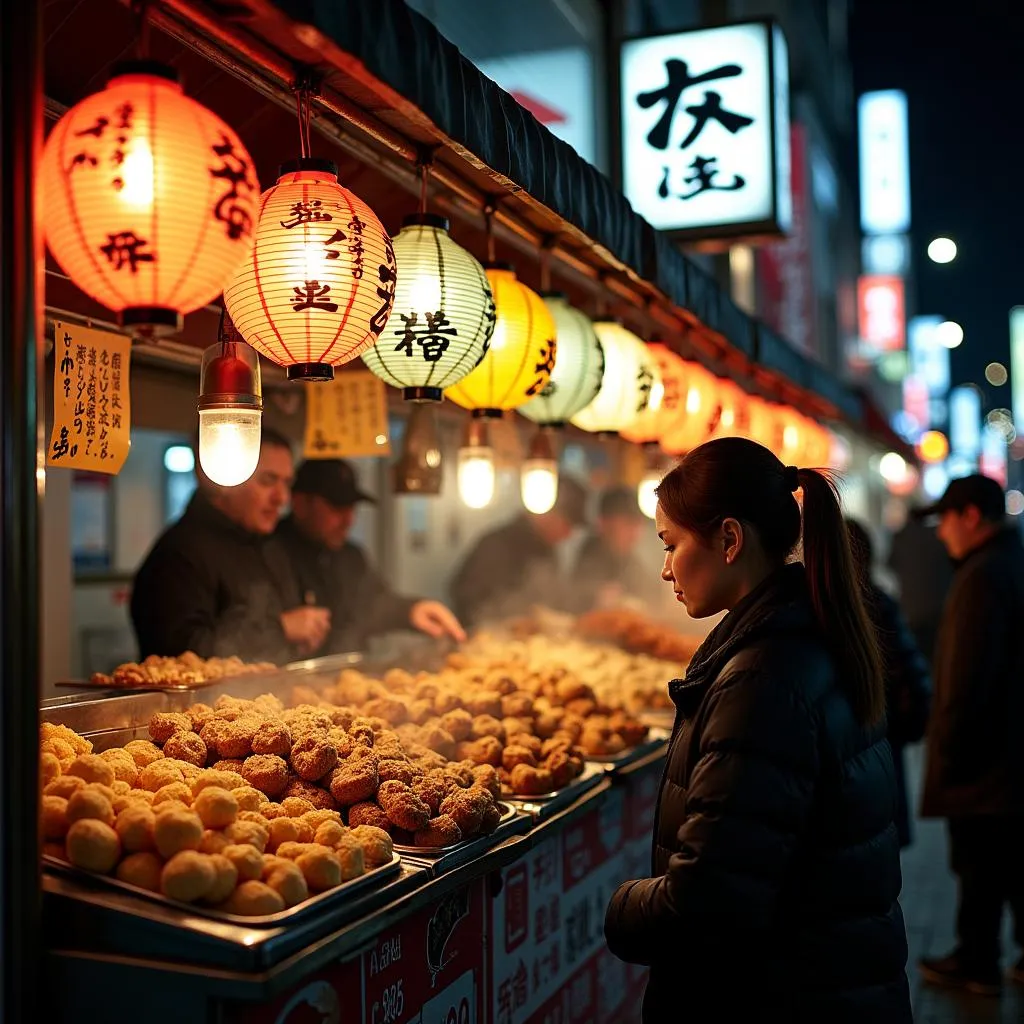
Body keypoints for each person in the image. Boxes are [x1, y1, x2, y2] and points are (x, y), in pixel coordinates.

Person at [604, 437, 911, 1023]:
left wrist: (619, 907)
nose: (664, 569)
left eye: (670, 545)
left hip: (777, 996)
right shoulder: (809, 634)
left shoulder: (762, 681)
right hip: (827, 984)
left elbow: (708, 902)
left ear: (729, 539)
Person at [914, 474, 1024, 995]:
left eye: (946, 520)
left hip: (985, 757)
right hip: (1006, 749)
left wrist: (950, 749)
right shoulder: (1009, 562)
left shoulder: (983, 576)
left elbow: (966, 677)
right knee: (1004, 860)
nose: (941, 534)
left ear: (972, 517)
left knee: (979, 863)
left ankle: (977, 962)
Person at [131, 428, 330, 665]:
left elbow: (287, 626)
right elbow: (182, 654)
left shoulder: (268, 544)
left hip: (272, 697)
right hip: (207, 703)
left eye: (286, 483)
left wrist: (303, 637)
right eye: (268, 481)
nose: (281, 498)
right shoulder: (178, 554)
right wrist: (282, 629)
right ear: (222, 480)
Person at [274, 459, 465, 653]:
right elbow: (245, 632)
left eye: (352, 508)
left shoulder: (351, 557)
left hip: (345, 675)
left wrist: (412, 610)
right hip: (283, 681)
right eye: (337, 508)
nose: (348, 520)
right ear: (300, 504)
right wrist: (281, 629)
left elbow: (374, 604)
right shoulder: (266, 553)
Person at [846, 519, 932, 848]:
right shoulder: (881, 604)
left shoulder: (819, 613)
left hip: (864, 756)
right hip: (883, 751)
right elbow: (915, 679)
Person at [449, 476, 587, 627]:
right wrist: (509, 621)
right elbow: (465, 599)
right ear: (545, 513)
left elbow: (556, 601)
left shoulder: (548, 550)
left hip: (541, 644)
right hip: (494, 642)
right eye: (568, 524)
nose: (569, 533)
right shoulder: (496, 545)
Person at [886, 511, 953, 666]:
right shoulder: (939, 537)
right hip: (940, 611)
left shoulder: (901, 537)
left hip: (912, 612)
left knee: (918, 660)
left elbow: (890, 563)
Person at [573, 486, 652, 609]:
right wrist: (596, 598)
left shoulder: (631, 561)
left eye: (638, 524)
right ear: (603, 524)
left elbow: (651, 592)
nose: (634, 533)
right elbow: (571, 599)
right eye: (628, 524)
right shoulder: (589, 556)